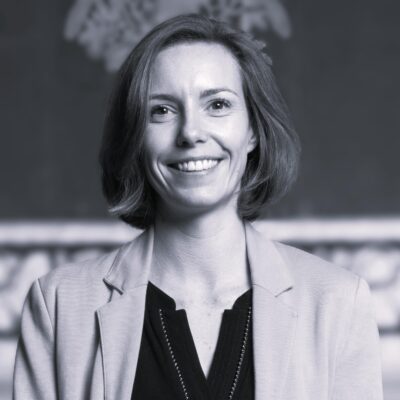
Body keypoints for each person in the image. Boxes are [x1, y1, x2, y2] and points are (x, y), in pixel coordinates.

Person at [13, 14, 383, 400]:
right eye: (161, 110)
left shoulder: (339, 302)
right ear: (136, 137)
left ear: (253, 131)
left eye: (217, 104)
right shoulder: (59, 305)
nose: (190, 132)